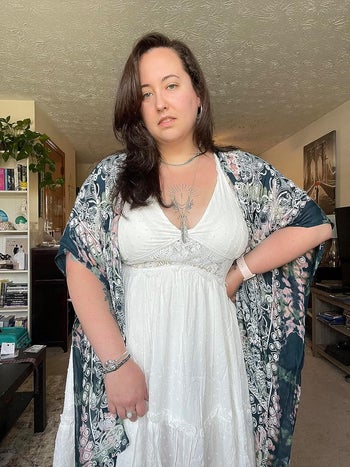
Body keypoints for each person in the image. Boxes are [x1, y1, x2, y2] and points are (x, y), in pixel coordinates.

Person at [53, 32, 331, 467]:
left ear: (197, 93)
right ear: (137, 109)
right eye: (146, 93)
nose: (160, 102)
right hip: (134, 352)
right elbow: (80, 264)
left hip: (212, 357)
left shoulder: (241, 172)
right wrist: (115, 365)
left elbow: (313, 226)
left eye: (171, 84)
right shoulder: (113, 176)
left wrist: (239, 270)